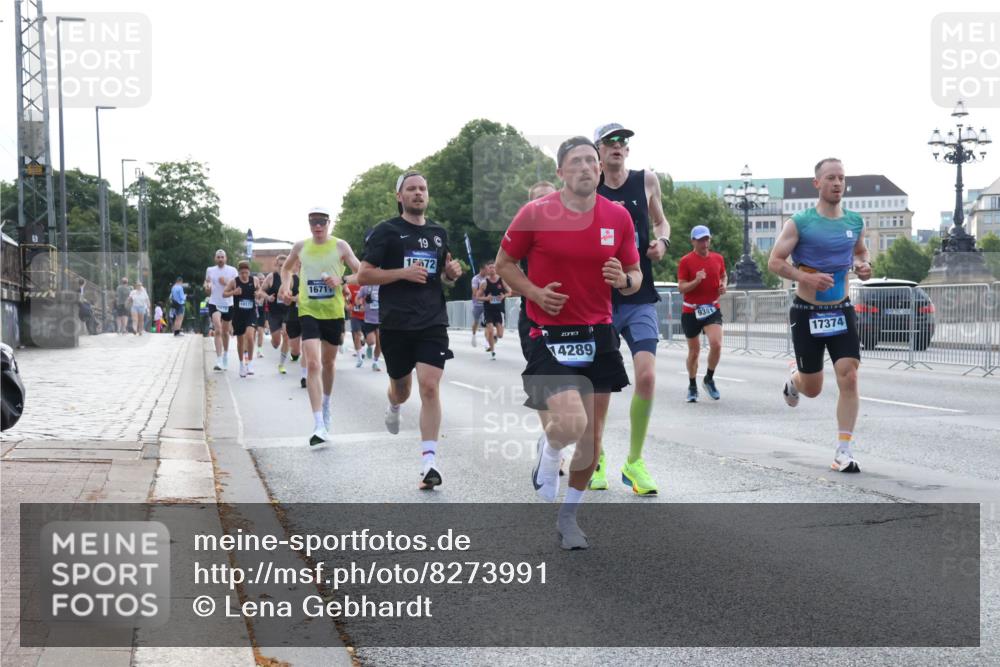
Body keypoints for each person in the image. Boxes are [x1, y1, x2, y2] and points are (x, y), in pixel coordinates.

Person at [495, 136, 641, 549]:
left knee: (593, 441)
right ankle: (551, 448)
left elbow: (635, 274)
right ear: (560, 172)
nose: (586, 167)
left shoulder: (618, 217)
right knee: (571, 425)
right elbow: (504, 264)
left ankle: (569, 517)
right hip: (548, 333)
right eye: (575, 161)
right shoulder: (535, 213)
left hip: (598, 333)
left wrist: (625, 280)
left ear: (600, 169)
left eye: (591, 161)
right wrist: (535, 293)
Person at [357, 171, 463, 490]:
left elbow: (440, 275)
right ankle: (393, 405)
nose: (418, 193)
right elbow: (363, 275)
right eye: (411, 189)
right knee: (401, 389)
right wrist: (401, 273)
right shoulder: (386, 232)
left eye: (422, 189)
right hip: (396, 323)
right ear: (399, 196)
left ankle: (429, 462)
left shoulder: (438, 232)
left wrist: (450, 274)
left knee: (429, 386)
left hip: (432, 321)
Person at [767, 158, 872, 473]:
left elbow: (860, 252)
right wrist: (806, 278)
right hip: (807, 311)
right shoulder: (800, 222)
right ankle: (795, 380)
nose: (837, 183)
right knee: (813, 388)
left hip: (840, 309)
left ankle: (843, 451)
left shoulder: (854, 222)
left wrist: (865, 266)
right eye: (831, 178)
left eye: (841, 178)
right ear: (817, 183)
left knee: (849, 376)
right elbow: (775, 261)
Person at [591, 123, 672, 496]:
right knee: (598, 384)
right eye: (611, 142)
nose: (619, 147)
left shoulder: (646, 181)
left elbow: (660, 221)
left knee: (647, 377)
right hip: (599, 298)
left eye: (623, 142)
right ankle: (596, 456)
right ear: (598, 150)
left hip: (639, 293)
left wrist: (662, 242)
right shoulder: (588, 187)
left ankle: (634, 462)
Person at [279, 206, 362, 447]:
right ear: (309, 224)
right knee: (312, 363)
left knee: (328, 363)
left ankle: (326, 405)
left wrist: (342, 280)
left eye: (321, 222)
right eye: (313, 222)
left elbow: (362, 272)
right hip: (308, 310)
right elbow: (286, 268)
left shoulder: (340, 246)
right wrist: (285, 287)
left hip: (333, 313)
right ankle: (318, 424)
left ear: (328, 223)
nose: (317, 226)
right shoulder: (300, 247)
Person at [677, 225, 727, 402]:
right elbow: (681, 287)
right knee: (694, 351)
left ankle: (709, 378)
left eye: (706, 239)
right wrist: (696, 281)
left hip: (712, 308)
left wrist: (723, 285)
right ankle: (692, 385)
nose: (704, 243)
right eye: (700, 240)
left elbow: (723, 275)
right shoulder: (686, 261)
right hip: (691, 310)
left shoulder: (718, 258)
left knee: (716, 343)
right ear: (693, 241)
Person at [223, 261, 260, 377]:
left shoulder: (254, 280)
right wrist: (234, 292)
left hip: (251, 313)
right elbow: (224, 293)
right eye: (242, 273)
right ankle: (241, 365)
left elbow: (259, 291)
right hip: (238, 314)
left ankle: (249, 363)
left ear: (249, 272)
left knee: (249, 336)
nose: (244, 275)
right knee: (240, 341)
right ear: (239, 272)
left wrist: (258, 294)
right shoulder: (234, 281)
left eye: (246, 273)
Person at [204, 249, 238, 370]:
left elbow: (238, 286)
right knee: (217, 329)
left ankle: (225, 355)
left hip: (228, 303)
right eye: (218, 257)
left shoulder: (232, 270)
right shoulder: (210, 270)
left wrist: (226, 282)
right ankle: (218, 359)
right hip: (214, 302)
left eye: (222, 257)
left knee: (225, 332)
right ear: (215, 258)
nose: (220, 259)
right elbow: (207, 286)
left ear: (226, 258)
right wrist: (207, 287)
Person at [259, 254, 292, 374]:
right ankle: (273, 340)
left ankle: (282, 364)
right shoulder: (271, 277)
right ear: (276, 265)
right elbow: (261, 291)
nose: (282, 268)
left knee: (287, 335)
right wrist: (268, 297)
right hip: (274, 313)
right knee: (276, 343)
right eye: (280, 265)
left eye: (285, 265)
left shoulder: (291, 277)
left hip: (287, 312)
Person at [475, 260, 510, 360]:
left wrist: (504, 296)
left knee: (500, 335)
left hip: (499, 310)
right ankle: (493, 351)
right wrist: (486, 298)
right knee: (490, 330)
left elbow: (510, 292)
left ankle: (494, 337)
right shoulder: (484, 283)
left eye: (493, 267)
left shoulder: (501, 280)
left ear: (496, 269)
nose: (492, 269)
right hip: (488, 310)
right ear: (487, 270)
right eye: (490, 268)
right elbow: (477, 296)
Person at [358, 283, 382, 371]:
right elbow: (358, 297)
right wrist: (361, 305)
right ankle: (368, 345)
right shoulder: (366, 287)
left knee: (380, 343)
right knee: (371, 341)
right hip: (369, 319)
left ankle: (375, 363)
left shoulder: (383, 285)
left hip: (381, 319)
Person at [347, 281, 366, 367]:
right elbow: (347, 299)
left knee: (366, 339)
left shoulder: (367, 285)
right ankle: (359, 359)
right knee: (357, 334)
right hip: (354, 315)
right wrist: (348, 305)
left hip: (366, 316)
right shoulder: (350, 286)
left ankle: (363, 340)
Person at [470, 264, 488, 348]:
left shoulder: (488, 278)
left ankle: (487, 341)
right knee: (476, 321)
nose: (488, 271)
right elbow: (474, 292)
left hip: (486, 303)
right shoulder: (475, 279)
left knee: (488, 322)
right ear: (481, 269)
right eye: (486, 269)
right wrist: (481, 290)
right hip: (477, 303)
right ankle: (473, 335)